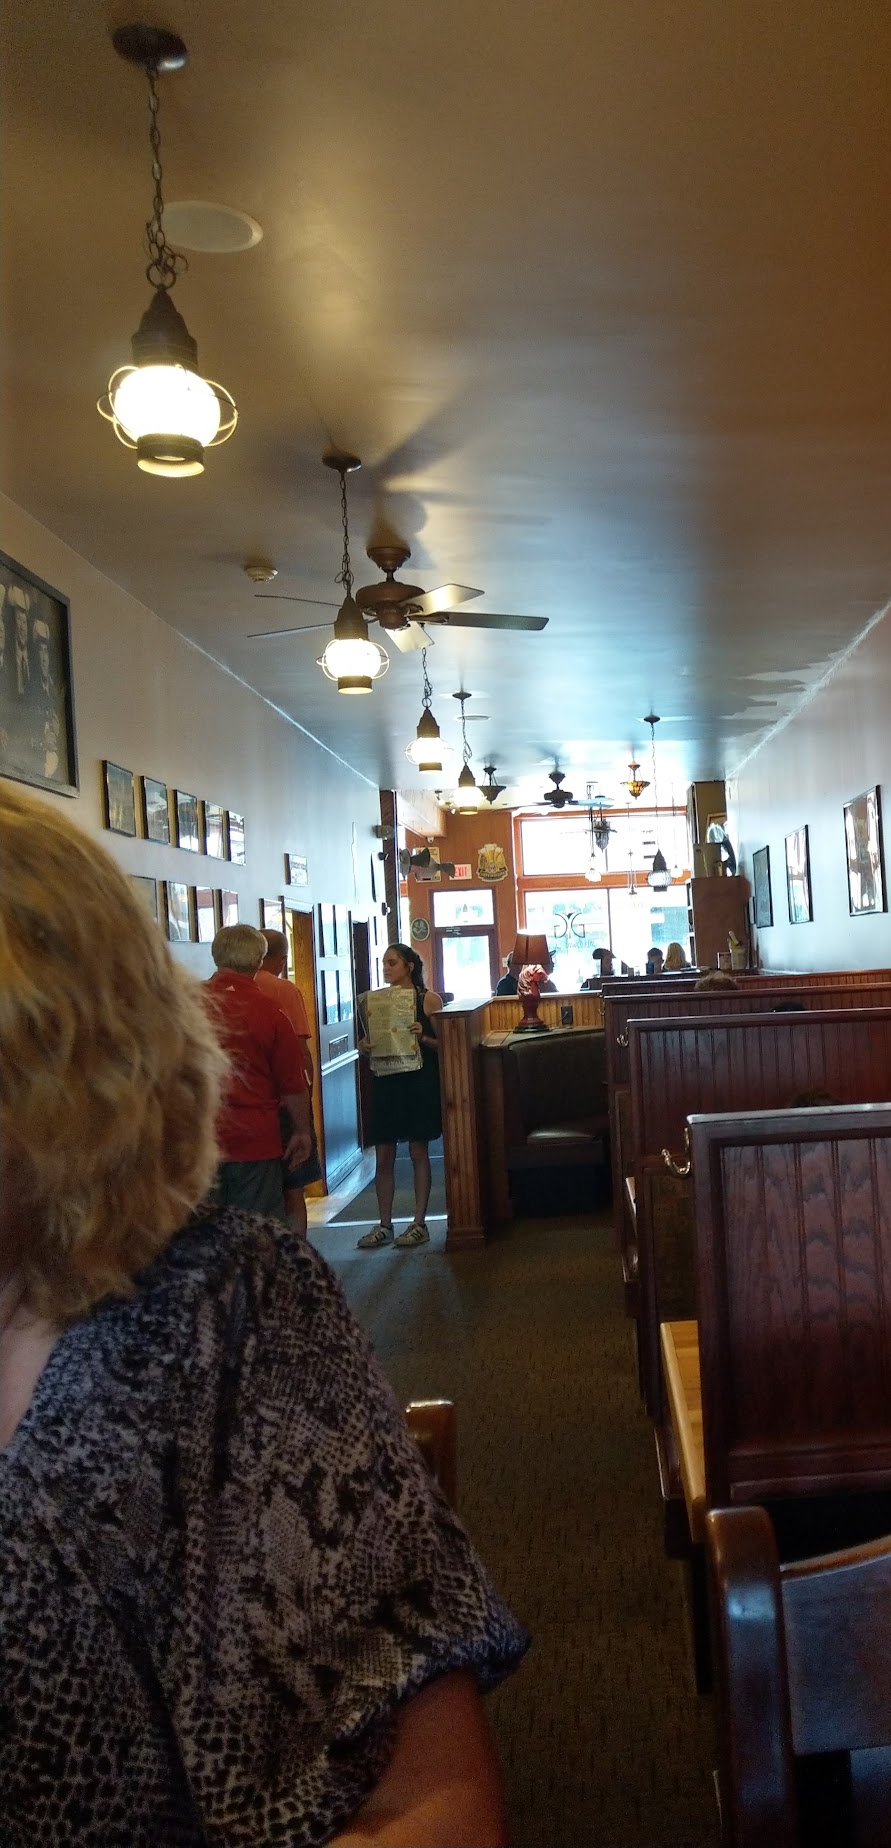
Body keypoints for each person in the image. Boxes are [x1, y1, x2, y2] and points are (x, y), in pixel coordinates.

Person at [0, 779, 526, 1845]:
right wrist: (298, 1136)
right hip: (254, 1153)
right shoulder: (287, 1003)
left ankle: (392, 1225)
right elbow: (293, 1081)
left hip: (215, 1182)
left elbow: (425, 1800)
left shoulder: (227, 1314)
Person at [207, 923, 313, 1223]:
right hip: (256, 1139)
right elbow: (292, 1082)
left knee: (203, 1234)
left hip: (200, 1138)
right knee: (256, 1231)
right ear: (258, 961)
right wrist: (302, 1131)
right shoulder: (271, 1012)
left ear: (216, 956)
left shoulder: (185, 1006)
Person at [357, 943, 444, 1249]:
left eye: (392, 963)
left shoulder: (428, 999)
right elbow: (369, 1040)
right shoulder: (375, 1001)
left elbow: (447, 1044)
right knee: (384, 1155)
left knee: (418, 1151)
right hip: (386, 1082)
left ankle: (419, 1222)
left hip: (418, 1081)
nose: (386, 968)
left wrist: (424, 1037)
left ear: (409, 966)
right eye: (384, 963)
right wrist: (363, 1045)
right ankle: (384, 1224)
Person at [255, 925, 323, 1237]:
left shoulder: (230, 990)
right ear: (282, 960)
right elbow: (300, 1052)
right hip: (285, 1100)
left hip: (253, 1105)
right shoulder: (285, 990)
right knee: (294, 1185)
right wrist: (306, 1101)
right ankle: (297, 1252)